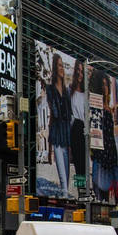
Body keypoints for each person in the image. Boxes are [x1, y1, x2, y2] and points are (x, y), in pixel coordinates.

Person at [47, 53, 72, 199]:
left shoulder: (67, 90)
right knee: (62, 170)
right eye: (59, 65)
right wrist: (49, 148)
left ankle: (65, 192)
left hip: (66, 132)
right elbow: (52, 114)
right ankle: (63, 193)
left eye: (63, 65)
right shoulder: (50, 89)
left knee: (67, 170)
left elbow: (69, 114)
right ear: (55, 68)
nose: (62, 68)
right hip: (56, 132)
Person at [92, 74, 118, 203]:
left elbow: (111, 132)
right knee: (100, 192)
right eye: (102, 85)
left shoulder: (109, 109)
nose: (104, 88)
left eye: (106, 85)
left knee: (115, 192)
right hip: (101, 155)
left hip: (111, 154)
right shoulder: (95, 106)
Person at [69, 59, 87, 196]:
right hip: (76, 127)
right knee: (78, 162)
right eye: (78, 71)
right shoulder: (71, 91)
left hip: (86, 130)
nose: (80, 74)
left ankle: (84, 190)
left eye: (82, 71)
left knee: (85, 162)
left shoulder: (88, 93)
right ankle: (81, 191)